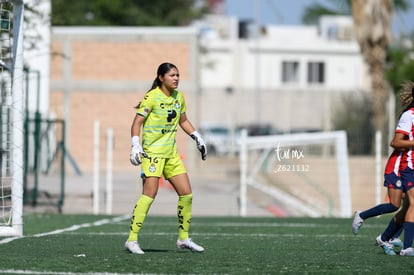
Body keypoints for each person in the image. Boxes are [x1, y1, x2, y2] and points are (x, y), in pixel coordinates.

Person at [124, 62, 207, 254]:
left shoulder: (179, 97)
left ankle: (184, 238)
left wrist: (197, 137)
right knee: (149, 194)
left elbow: (183, 120)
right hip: (153, 154)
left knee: (186, 194)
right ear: (161, 78)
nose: (176, 78)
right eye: (172, 75)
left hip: (171, 154)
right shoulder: (151, 97)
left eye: (178, 75)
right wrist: (135, 145)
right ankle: (132, 240)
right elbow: (136, 123)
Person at [374, 80, 414, 256]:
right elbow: (396, 142)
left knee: (406, 207)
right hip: (408, 166)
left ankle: (386, 238)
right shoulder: (409, 116)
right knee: (402, 204)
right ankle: (406, 247)